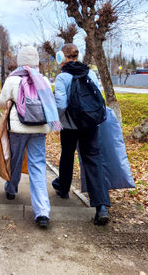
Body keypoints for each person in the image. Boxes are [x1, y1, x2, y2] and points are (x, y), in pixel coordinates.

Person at [0, 45, 61, 228]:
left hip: (18, 129)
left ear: (19, 60)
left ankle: (11, 189)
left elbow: (2, 103)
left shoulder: (12, 80)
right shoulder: (43, 80)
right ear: (36, 61)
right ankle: (42, 212)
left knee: (15, 160)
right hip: (39, 129)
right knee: (38, 166)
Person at [53, 43, 110, 225]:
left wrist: (59, 119)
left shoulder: (62, 77)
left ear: (61, 57)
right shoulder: (90, 73)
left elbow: (61, 105)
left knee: (67, 155)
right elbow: (98, 97)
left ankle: (63, 189)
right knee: (93, 159)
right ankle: (101, 206)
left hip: (70, 126)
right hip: (90, 124)